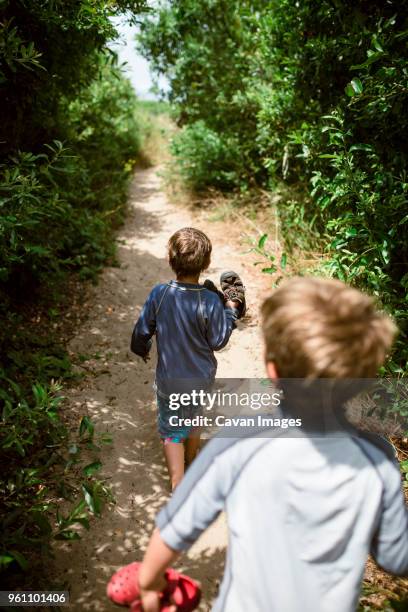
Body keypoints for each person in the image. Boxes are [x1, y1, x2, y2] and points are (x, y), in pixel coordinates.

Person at [136, 277, 408, 612]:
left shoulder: (238, 441)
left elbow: (175, 527)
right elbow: (397, 557)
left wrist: (149, 582)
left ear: (272, 369)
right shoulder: (378, 459)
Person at [131, 227, 246, 490]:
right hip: (201, 380)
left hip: (170, 380)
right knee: (195, 418)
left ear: (170, 260)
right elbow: (218, 341)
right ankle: (233, 308)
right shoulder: (208, 300)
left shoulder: (159, 294)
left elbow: (142, 330)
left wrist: (141, 347)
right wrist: (225, 314)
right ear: (206, 264)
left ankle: (178, 481)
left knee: (172, 431)